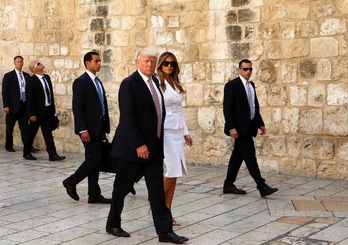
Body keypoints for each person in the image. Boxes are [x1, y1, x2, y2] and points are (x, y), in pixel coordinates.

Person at [106, 47, 189, 244]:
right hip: (133, 149)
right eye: (146, 61)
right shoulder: (129, 84)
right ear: (137, 63)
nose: (150, 64)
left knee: (157, 190)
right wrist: (139, 144)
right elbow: (128, 117)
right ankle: (113, 223)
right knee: (122, 188)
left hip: (154, 148)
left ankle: (164, 231)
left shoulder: (155, 84)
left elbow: (159, 115)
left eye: (152, 61)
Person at [223, 59, 278, 197]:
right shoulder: (232, 85)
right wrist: (231, 127)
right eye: (245, 69)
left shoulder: (251, 85)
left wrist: (260, 123)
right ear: (239, 70)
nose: (248, 72)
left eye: (250, 69)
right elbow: (227, 109)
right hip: (239, 129)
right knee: (250, 156)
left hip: (249, 127)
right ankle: (261, 186)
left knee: (237, 156)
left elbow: (254, 106)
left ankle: (228, 184)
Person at [62, 51, 111, 204]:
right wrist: (83, 129)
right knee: (94, 158)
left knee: (95, 159)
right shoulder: (81, 82)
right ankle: (71, 181)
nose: (99, 63)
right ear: (87, 63)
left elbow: (100, 106)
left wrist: (103, 129)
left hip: (98, 128)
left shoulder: (98, 82)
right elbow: (78, 107)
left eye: (100, 60)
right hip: (87, 129)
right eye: (96, 61)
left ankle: (94, 194)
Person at [156, 52, 193, 226]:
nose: (169, 66)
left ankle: (167, 212)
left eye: (172, 63)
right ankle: (157, 204)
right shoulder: (158, 83)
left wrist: (186, 132)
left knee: (176, 173)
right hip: (166, 131)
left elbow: (180, 110)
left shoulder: (176, 84)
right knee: (171, 170)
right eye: (165, 63)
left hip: (177, 131)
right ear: (160, 65)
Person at [22, 60, 65, 162]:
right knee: (31, 133)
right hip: (36, 112)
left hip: (47, 110)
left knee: (48, 133)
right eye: (38, 64)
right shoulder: (31, 81)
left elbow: (49, 93)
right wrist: (31, 114)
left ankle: (53, 154)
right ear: (34, 69)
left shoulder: (47, 77)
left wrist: (52, 109)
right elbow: (30, 99)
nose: (40, 63)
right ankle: (26, 152)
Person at [2, 56, 39, 153]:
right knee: (10, 127)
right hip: (13, 106)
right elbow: (5, 92)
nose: (19, 63)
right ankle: (9, 145)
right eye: (18, 62)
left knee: (25, 128)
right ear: (14, 63)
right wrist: (6, 105)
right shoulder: (9, 76)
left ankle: (28, 146)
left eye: (21, 62)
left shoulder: (26, 76)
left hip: (24, 106)